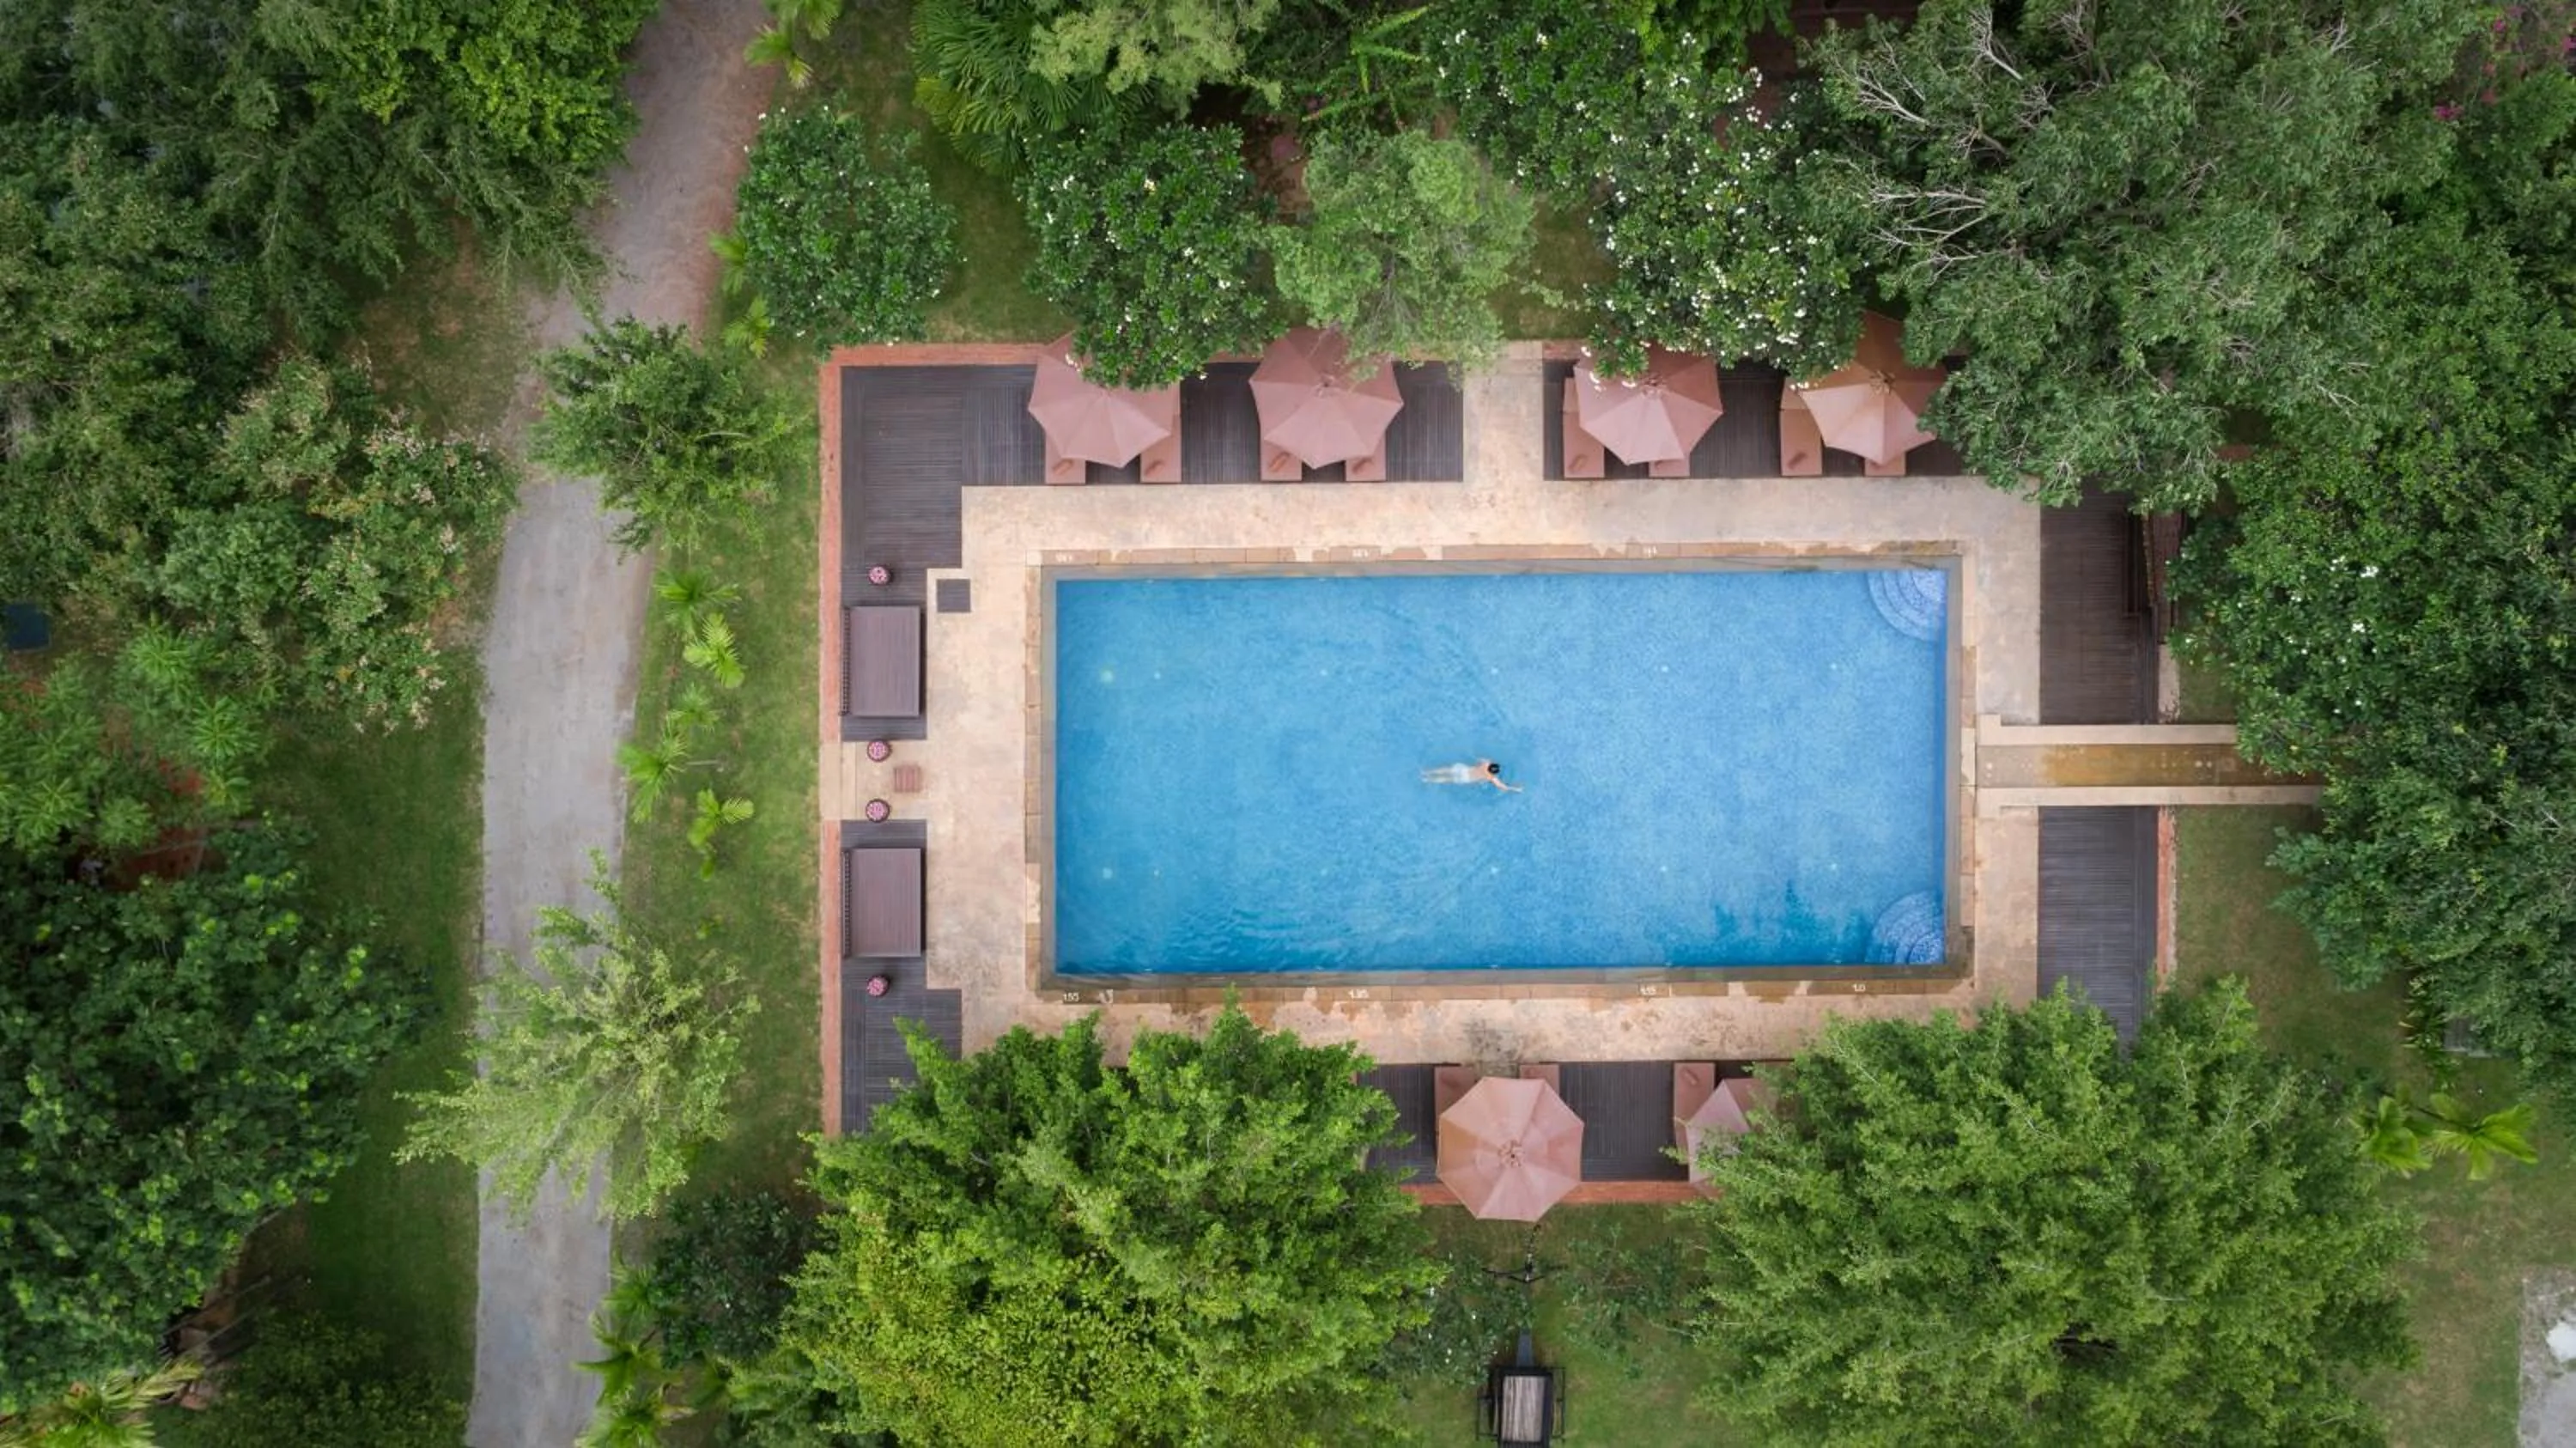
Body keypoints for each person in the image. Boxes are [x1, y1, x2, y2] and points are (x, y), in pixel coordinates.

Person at [1422, 758, 1522, 792]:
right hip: (1466, 778)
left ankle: (1426, 773)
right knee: (1448, 779)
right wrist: (1514, 789)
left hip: (1464, 770)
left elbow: (1479, 759)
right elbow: (1502, 787)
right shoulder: (1491, 777)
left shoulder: (1486, 763)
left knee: (1446, 770)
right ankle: (1427, 780)